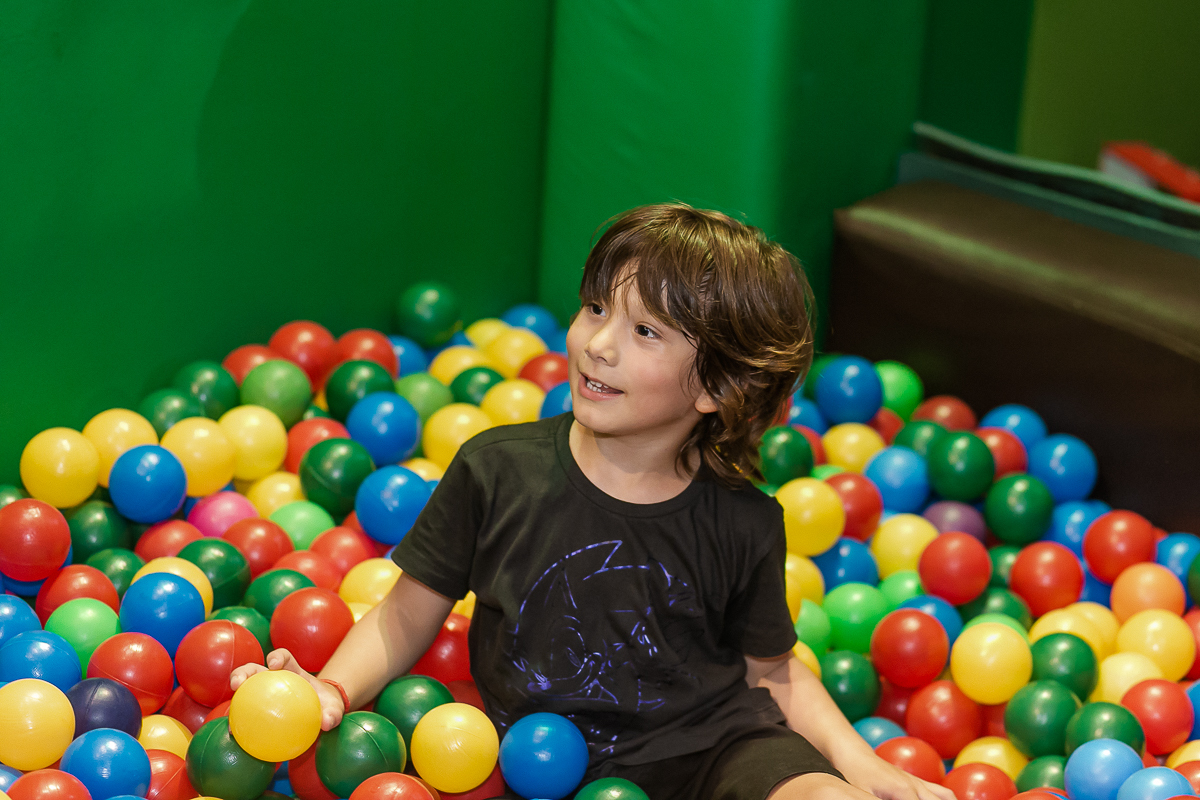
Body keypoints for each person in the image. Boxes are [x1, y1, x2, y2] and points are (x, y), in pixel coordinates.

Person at [233, 204, 954, 800]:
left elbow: (773, 672)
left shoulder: (742, 520)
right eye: (595, 307)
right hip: (544, 769)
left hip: (715, 750)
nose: (597, 343)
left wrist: (863, 768)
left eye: (643, 331)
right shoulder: (498, 471)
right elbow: (402, 616)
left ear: (713, 387)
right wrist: (331, 690)